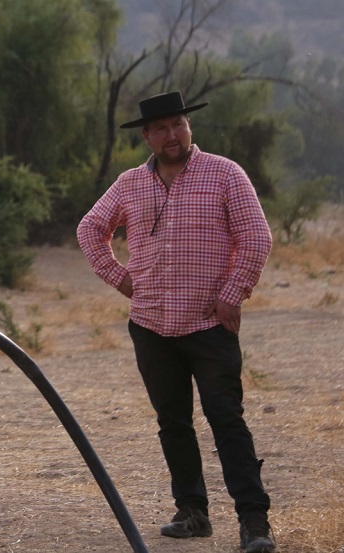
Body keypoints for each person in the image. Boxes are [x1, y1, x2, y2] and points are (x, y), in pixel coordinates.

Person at [77, 91, 276, 553]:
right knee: (172, 421)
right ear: (147, 136)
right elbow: (91, 229)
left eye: (178, 125)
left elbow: (256, 237)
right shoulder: (130, 184)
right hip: (150, 325)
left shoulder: (225, 174)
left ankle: (255, 522)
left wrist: (232, 294)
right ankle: (191, 512)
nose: (172, 135)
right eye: (162, 128)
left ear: (190, 128)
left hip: (208, 324)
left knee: (227, 420)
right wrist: (120, 278)